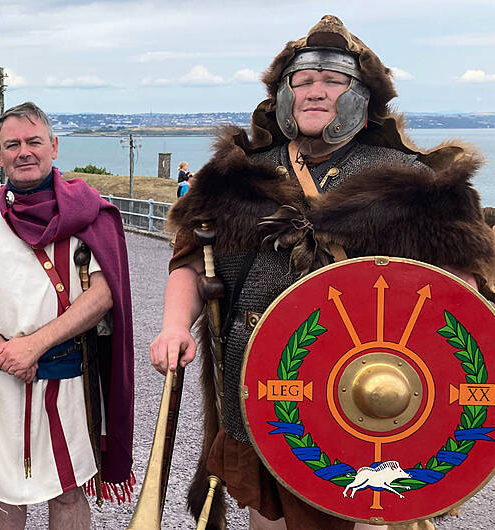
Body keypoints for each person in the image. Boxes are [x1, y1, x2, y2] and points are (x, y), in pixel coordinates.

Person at [149, 15, 495, 530]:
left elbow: (459, 285)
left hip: (376, 395)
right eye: (303, 81)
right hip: (263, 394)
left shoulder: (410, 180)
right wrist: (175, 325)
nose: (316, 92)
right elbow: (192, 262)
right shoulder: (241, 174)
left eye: (333, 81)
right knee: (265, 518)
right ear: (284, 95)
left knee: (371, 510)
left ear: (361, 96)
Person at [0, 102, 136, 529]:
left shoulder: (87, 213)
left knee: (66, 489)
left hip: (65, 376)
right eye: (12, 145)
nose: (24, 152)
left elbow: (102, 294)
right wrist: (1, 348)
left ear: (54, 147)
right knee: (2, 490)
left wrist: (34, 346)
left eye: (33, 142)